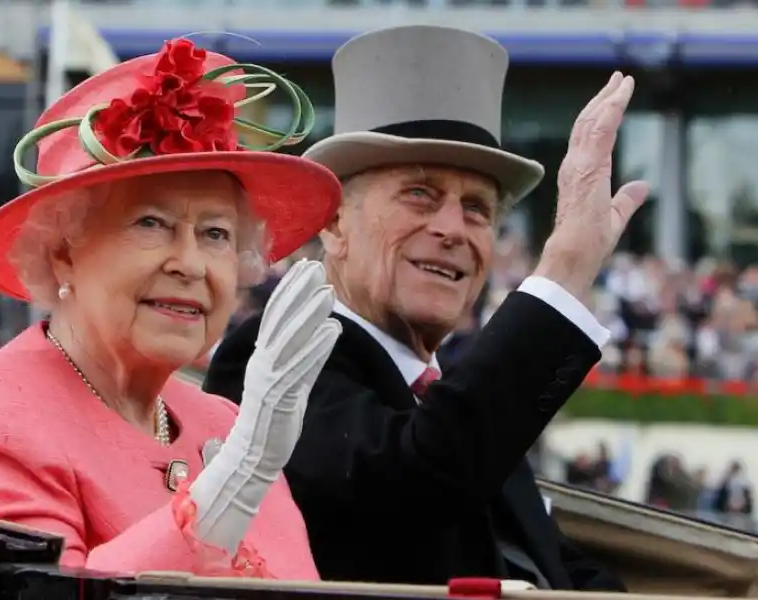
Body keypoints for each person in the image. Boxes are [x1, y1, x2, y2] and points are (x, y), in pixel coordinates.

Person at [204, 25, 645, 589]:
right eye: (419, 194)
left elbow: (551, 567)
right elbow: (414, 483)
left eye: (477, 208)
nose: (452, 229)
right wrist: (564, 270)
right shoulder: (272, 360)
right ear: (334, 223)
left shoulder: (456, 398)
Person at [0, 38, 344, 579]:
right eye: (150, 224)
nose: (191, 264)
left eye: (216, 234)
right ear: (63, 253)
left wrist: (245, 459)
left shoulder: (225, 422)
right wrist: (232, 481)